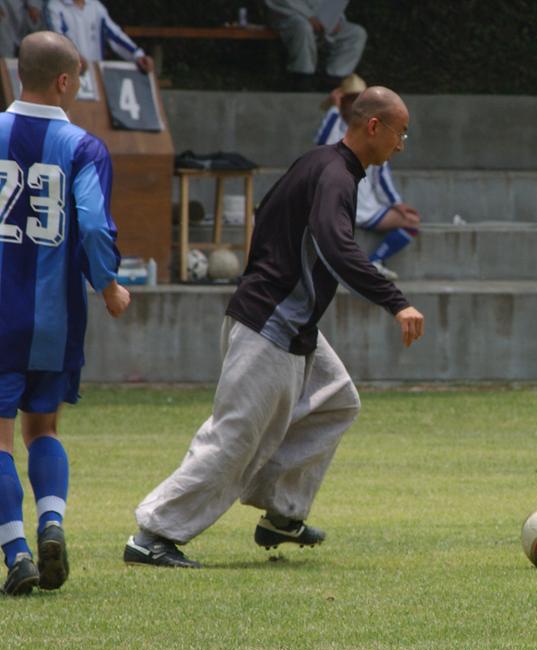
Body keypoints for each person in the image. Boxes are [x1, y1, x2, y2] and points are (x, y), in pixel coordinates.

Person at [124, 86, 424, 569]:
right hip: (271, 324)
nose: (401, 145)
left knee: (338, 400)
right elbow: (335, 243)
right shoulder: (337, 178)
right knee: (236, 436)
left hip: (288, 321)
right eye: (400, 133)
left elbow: (267, 216)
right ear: (374, 127)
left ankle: (282, 514)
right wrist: (395, 301)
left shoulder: (320, 164)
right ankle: (153, 533)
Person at [1, 31, 130, 595]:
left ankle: (17, 553)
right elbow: (95, 223)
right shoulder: (84, 147)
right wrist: (107, 285)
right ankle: (52, 520)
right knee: (43, 428)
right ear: (63, 80)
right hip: (54, 317)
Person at [315, 73, 420, 282]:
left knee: (411, 221)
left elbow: (381, 174)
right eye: (349, 100)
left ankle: (375, 261)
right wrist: (334, 109)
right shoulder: (335, 131)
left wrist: (396, 203)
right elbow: (321, 143)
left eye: (357, 101)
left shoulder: (375, 137)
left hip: (367, 206)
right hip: (338, 204)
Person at [265, 0, 366, 90]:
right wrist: (308, 16)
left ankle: (334, 79)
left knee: (356, 33)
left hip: (320, 20)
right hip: (288, 15)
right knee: (303, 27)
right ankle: (302, 77)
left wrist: (334, 20)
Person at [44, 0, 154, 73]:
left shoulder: (96, 6)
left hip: (96, 76)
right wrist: (74, 59)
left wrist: (138, 55)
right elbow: (58, 39)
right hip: (66, 75)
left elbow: (115, 35)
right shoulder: (53, 6)